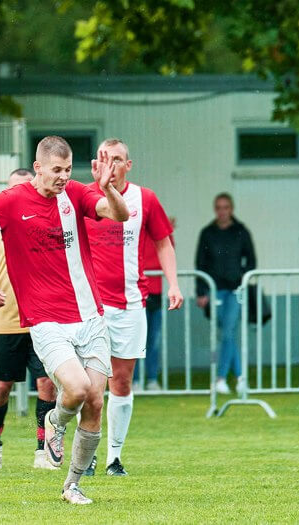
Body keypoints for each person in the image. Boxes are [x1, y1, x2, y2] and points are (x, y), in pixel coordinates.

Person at [0, 136, 129, 505]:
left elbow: (119, 214)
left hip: (91, 317)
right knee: (77, 389)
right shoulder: (10, 201)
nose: (63, 176)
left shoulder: (77, 194)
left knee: (95, 402)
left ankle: (72, 485)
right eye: (56, 170)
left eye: (67, 169)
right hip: (46, 320)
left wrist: (108, 188)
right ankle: (54, 421)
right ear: (38, 168)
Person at [84, 139, 182, 477]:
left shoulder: (146, 198)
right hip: (90, 306)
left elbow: (163, 242)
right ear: (96, 163)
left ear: (128, 165)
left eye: (117, 159)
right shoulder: (84, 196)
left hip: (130, 304)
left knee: (122, 381)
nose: (110, 164)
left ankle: (114, 458)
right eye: (104, 158)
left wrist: (174, 284)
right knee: (90, 384)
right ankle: (86, 453)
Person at [0, 168, 58, 471]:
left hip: (43, 321)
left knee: (47, 384)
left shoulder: (47, 222)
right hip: (6, 323)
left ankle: (43, 451)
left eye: (24, 187)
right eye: (12, 189)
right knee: (0, 389)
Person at [195, 192, 256, 395]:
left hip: (235, 290)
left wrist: (242, 277)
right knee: (228, 334)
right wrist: (201, 291)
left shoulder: (241, 231)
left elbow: (252, 260)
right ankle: (240, 378)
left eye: (226, 207)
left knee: (228, 331)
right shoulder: (207, 233)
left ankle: (220, 378)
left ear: (231, 209)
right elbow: (200, 263)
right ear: (215, 210)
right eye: (219, 208)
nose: (222, 211)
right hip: (215, 290)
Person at [137, 216, 177, 391]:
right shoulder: (136, 232)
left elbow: (168, 255)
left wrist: (167, 229)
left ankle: (152, 378)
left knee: (154, 340)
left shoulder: (162, 235)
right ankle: (136, 380)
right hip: (139, 292)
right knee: (138, 340)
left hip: (157, 292)